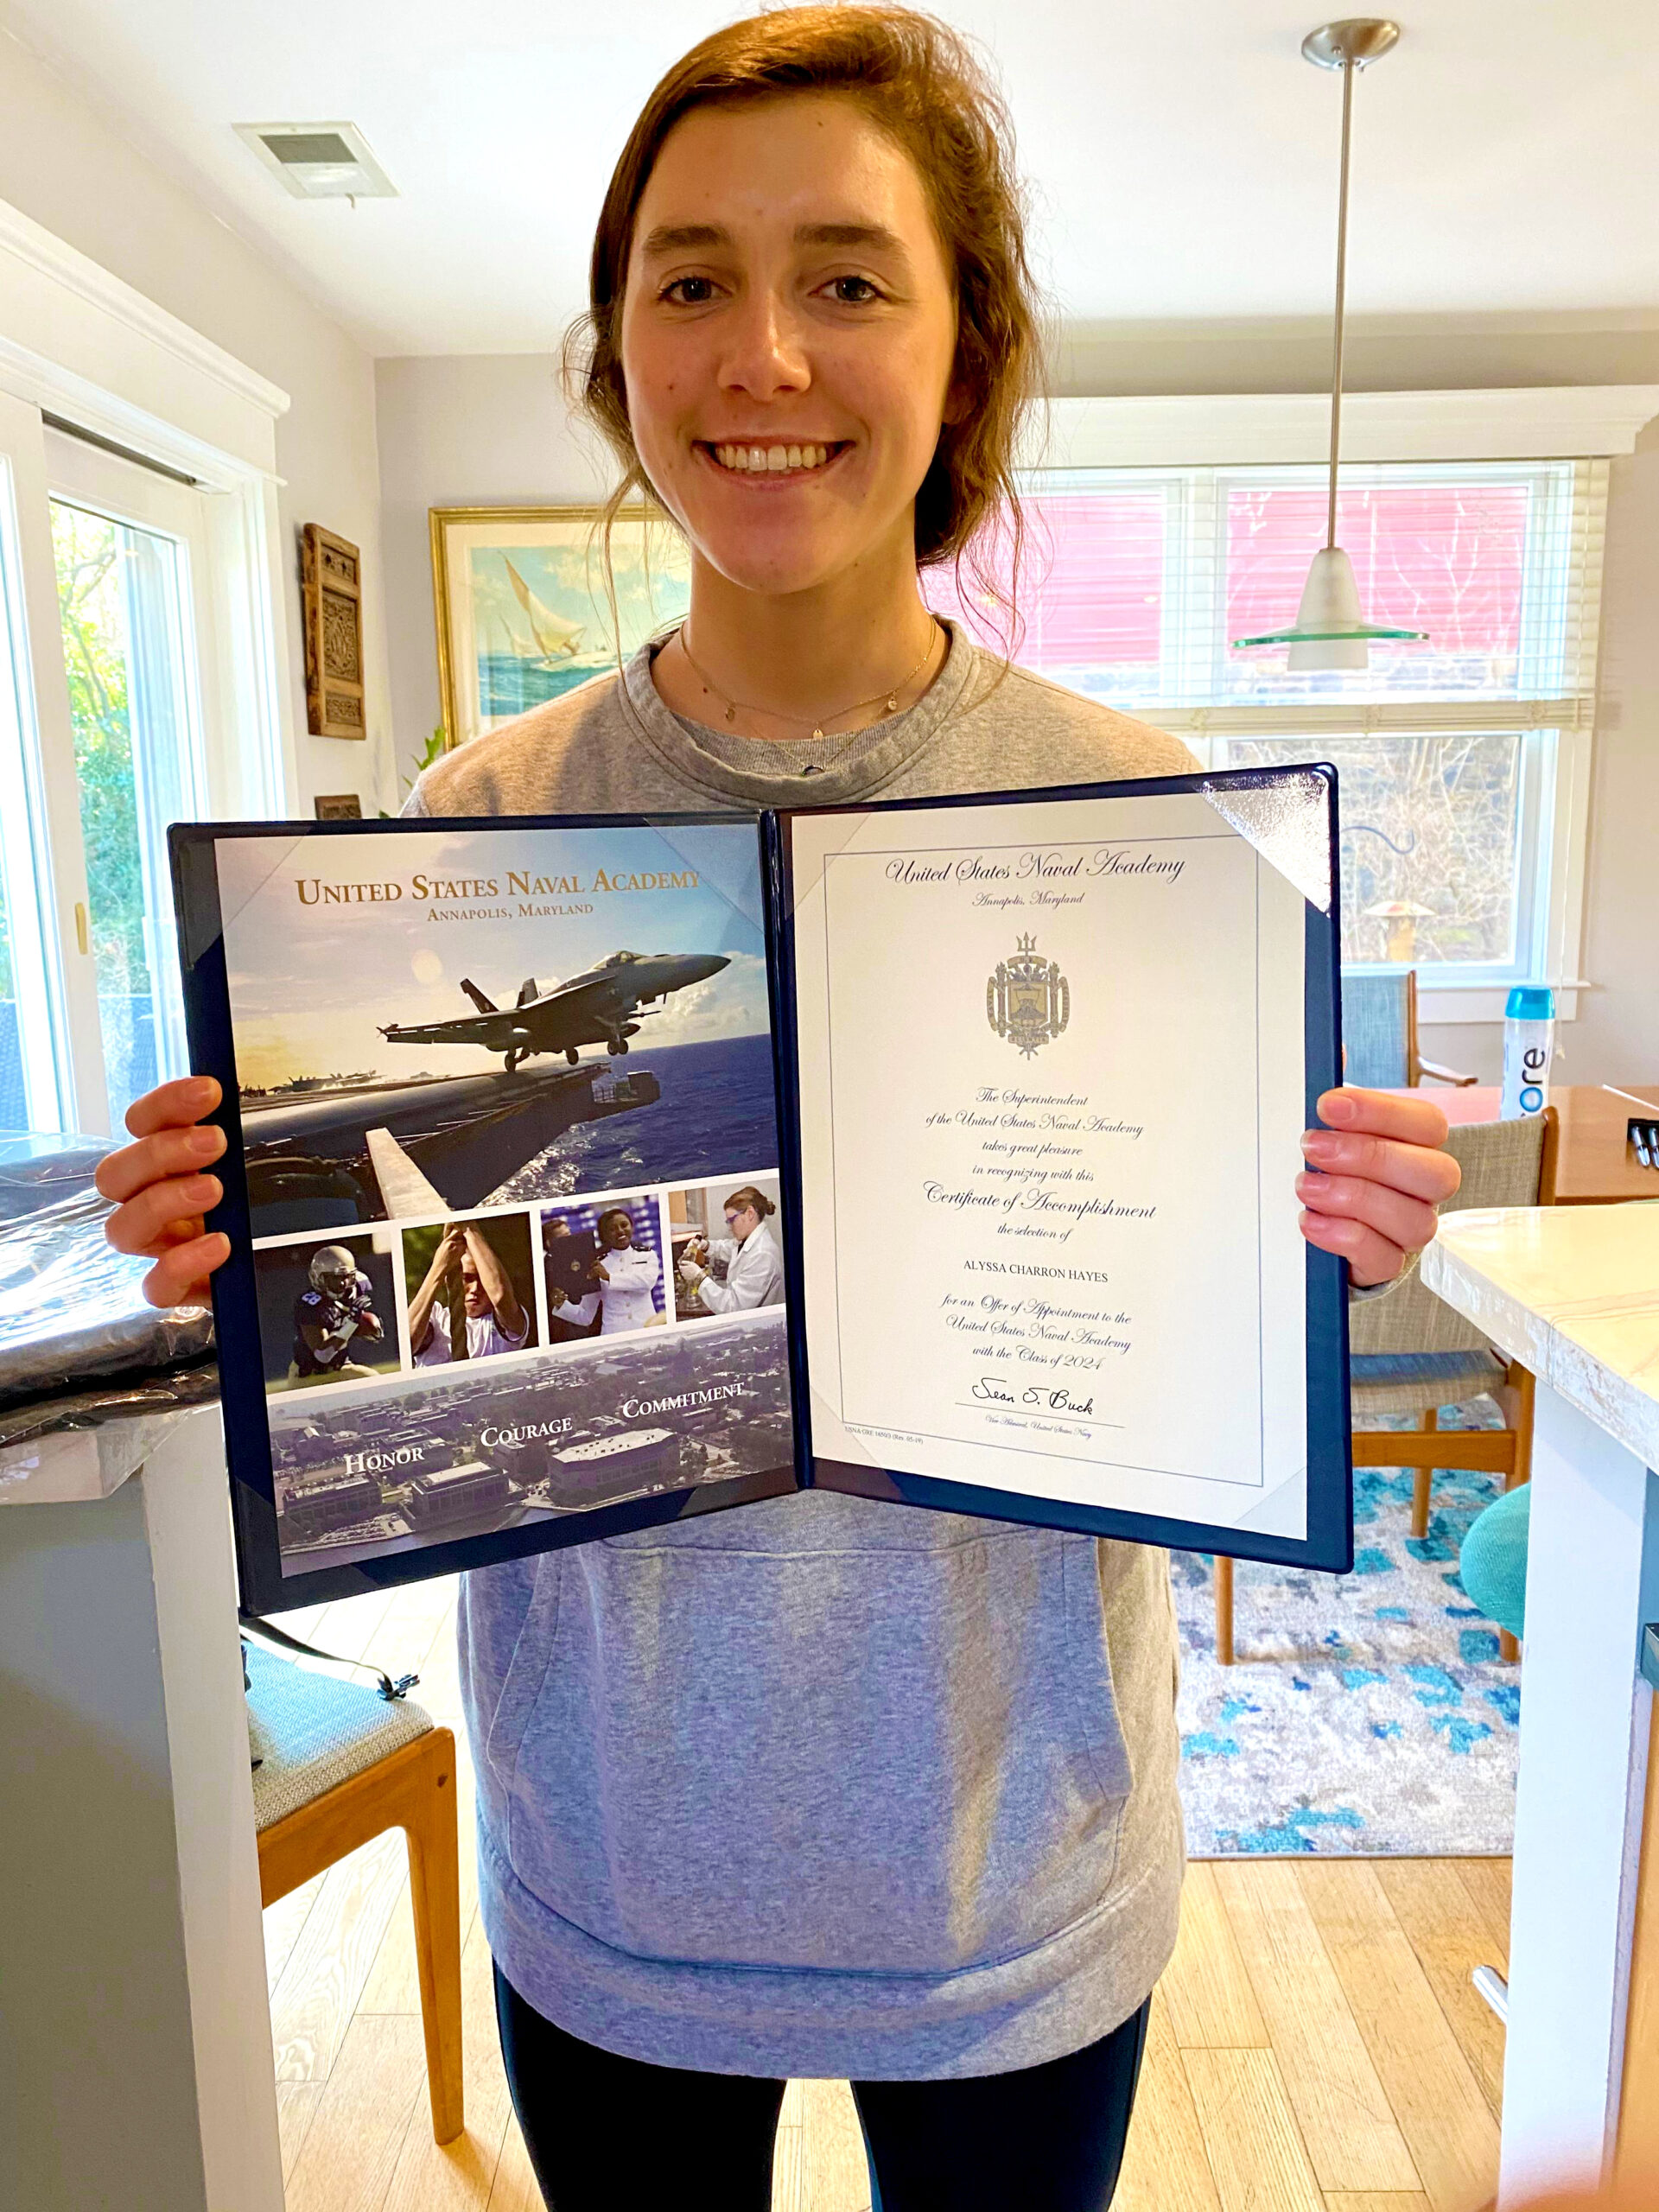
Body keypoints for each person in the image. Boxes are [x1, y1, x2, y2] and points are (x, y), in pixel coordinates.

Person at [94, 12, 1462, 2206]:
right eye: (689, 278)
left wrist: (1326, 1211)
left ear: (962, 345)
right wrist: (261, 1233)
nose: (763, 358)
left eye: (846, 277)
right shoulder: (480, 819)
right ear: (615, 346)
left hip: (1013, 1878)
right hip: (611, 1864)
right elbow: (427, 1305)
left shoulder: (1149, 825)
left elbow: (1195, 1292)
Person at [408, 1219, 531, 1365]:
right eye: (467, 1278)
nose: (475, 1289)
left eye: (483, 1281)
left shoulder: (504, 1325)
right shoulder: (436, 1318)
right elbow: (408, 1341)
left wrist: (469, 1228)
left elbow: (499, 1297)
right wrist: (439, 1268)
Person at [680, 1184, 785, 1313]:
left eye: (731, 1220)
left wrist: (699, 1277)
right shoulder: (747, 1240)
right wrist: (705, 1246)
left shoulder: (763, 1254)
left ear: (750, 1213)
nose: (729, 1226)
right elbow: (728, 1248)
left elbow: (733, 1306)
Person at [288, 1243, 384, 1383]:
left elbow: (362, 1325)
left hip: (341, 1367)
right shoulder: (309, 1305)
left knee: (377, 1382)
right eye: (335, 1278)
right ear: (318, 1278)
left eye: (346, 1276)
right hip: (309, 1375)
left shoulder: (359, 1286)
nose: (342, 1283)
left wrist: (370, 1328)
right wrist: (351, 1323)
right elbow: (322, 1355)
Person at [591, 1206, 663, 1334]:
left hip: (647, 1328)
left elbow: (646, 1283)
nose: (620, 1231)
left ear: (632, 1227)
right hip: (614, 1333)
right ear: (604, 1236)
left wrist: (609, 1278)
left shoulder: (647, 1255)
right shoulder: (599, 1264)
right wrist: (562, 1306)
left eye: (624, 1225)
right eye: (612, 1229)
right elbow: (585, 1313)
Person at [543, 1216, 602, 1341]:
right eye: (563, 1237)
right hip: (564, 1327)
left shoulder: (581, 1257)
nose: (569, 1239)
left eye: (569, 1234)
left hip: (589, 1321)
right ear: (549, 1243)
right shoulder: (546, 1266)